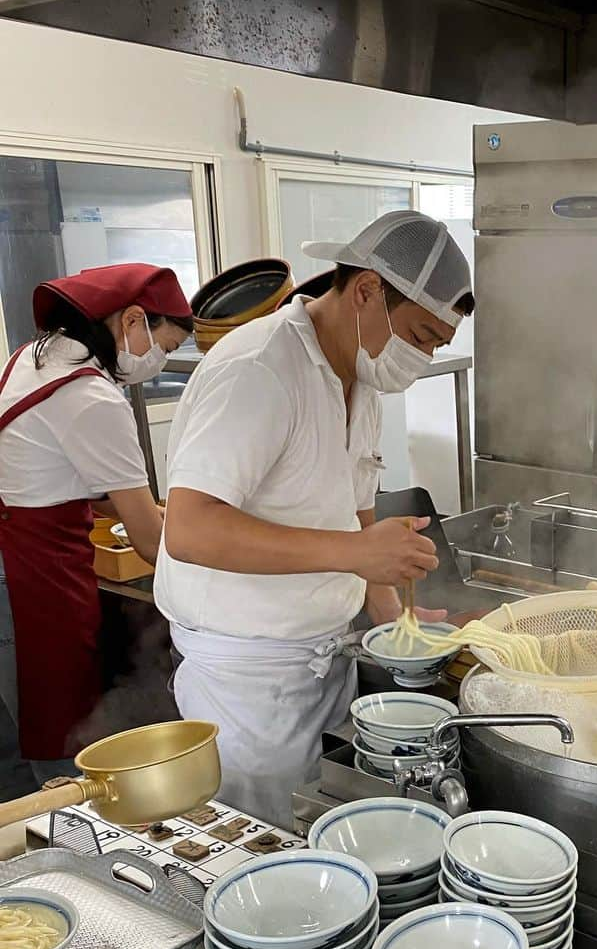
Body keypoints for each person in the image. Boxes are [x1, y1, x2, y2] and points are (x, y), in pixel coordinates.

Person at [155, 211, 474, 825]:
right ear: (365, 292)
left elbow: (355, 519)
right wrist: (354, 555)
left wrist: (395, 616)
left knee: (323, 837)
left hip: (326, 667)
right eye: (423, 335)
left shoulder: (359, 379)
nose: (425, 355)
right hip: (250, 688)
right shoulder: (259, 369)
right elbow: (190, 529)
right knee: (264, 856)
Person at [0, 263, 193, 783]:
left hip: (23, 550)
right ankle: (60, 826)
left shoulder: (33, 358)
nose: (160, 361)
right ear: (133, 321)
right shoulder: (91, 397)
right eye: (167, 348)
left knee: (21, 718)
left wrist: (194, 518)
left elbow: (87, 488)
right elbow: (149, 542)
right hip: (32, 572)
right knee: (56, 715)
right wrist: (226, 573)